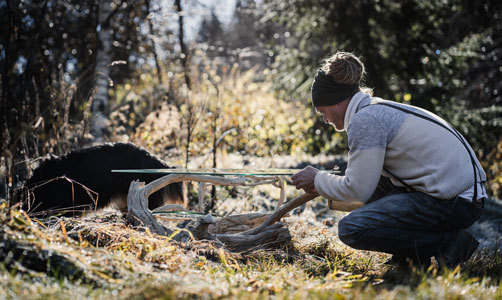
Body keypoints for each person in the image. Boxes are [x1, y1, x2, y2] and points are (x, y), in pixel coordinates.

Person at [291, 52, 486, 269]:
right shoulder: (375, 110)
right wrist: (325, 184)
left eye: (322, 111)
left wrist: (319, 180)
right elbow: (365, 185)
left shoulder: (366, 121)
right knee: (376, 187)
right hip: (456, 192)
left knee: (352, 228)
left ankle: (448, 245)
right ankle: (411, 259)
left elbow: (357, 191)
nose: (325, 119)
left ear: (335, 102)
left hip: (456, 201)